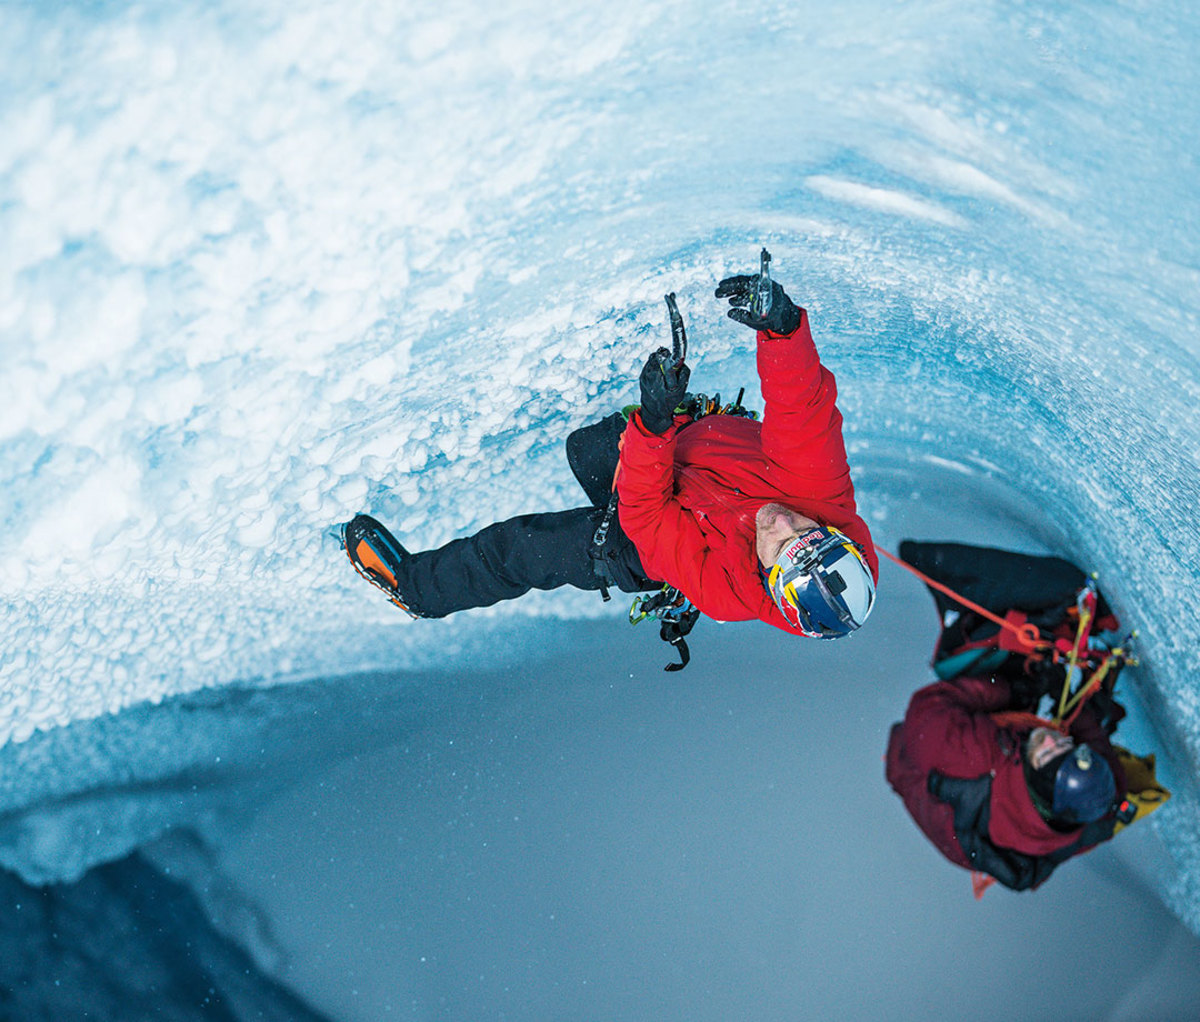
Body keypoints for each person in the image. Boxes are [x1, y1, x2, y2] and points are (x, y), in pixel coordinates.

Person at [342, 257, 878, 650]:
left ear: (767, 579)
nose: (782, 521)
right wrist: (783, 329)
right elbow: (801, 408)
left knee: (524, 550)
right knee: (588, 450)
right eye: (808, 533)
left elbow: (645, 514)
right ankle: (657, 441)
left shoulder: (726, 591)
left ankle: (418, 589)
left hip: (646, 544)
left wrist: (654, 423)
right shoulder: (820, 495)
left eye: (782, 547)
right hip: (699, 458)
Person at [884, 541, 1166, 893]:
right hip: (994, 800)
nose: (1053, 739)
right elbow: (1090, 747)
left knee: (1057, 592)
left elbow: (927, 707)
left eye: (1047, 751)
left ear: (1029, 771)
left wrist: (1009, 691)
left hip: (923, 761)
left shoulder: (972, 753)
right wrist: (1071, 706)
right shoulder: (1097, 799)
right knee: (1073, 707)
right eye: (1065, 744)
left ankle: (936, 574)